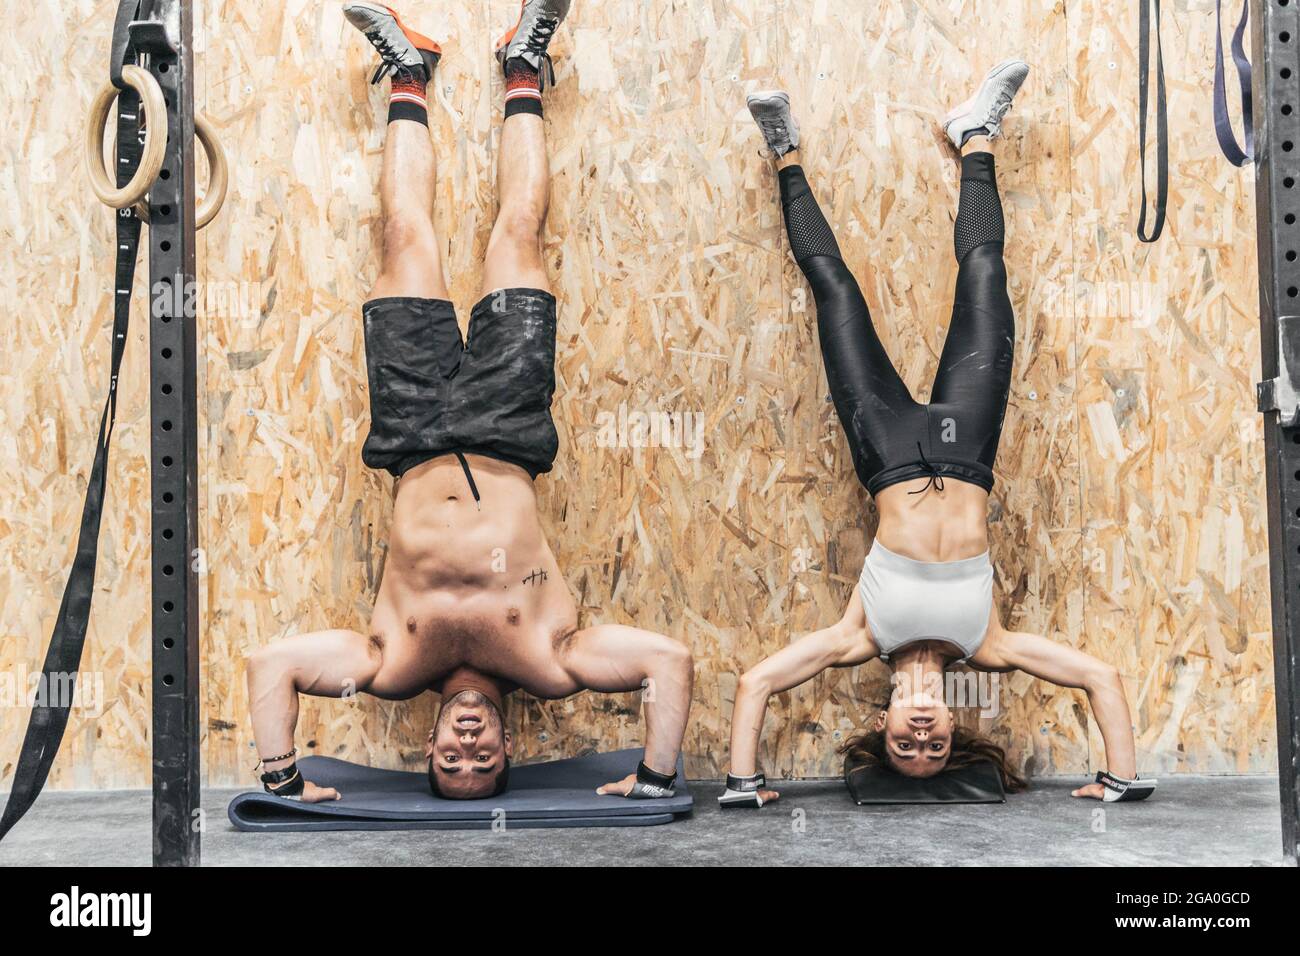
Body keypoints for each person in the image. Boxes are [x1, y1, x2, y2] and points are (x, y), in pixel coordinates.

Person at [246, 1, 692, 802]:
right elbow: (670, 662)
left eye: (448, 765)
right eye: (484, 765)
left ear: (427, 744)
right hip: (506, 424)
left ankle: (408, 76)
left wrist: (281, 781)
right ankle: (525, 67)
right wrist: (657, 781)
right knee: (519, 233)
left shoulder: (389, 667)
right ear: (508, 744)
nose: (467, 752)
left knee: (404, 238)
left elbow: (271, 666)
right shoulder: (551, 666)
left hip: (413, 426)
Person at [721, 61, 1155, 808]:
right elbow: (1101, 679)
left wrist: (742, 783)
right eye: (936, 744)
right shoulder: (990, 643)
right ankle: (977, 136)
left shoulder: (859, 637)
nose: (921, 731)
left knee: (836, 289)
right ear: (957, 724)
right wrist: (1120, 780)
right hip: (968, 445)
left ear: (880, 720)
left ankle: (785, 152)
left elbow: (757, 680)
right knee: (986, 274)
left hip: (886, 447)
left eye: (903, 742)